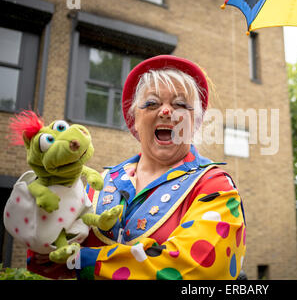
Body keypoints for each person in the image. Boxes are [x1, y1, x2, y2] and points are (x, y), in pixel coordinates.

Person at [27, 55, 246, 280]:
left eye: (180, 104)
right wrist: (43, 235)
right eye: (152, 103)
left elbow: (200, 268)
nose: (166, 112)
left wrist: (83, 259)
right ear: (134, 119)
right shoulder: (103, 181)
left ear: (195, 122)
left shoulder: (214, 185)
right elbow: (55, 254)